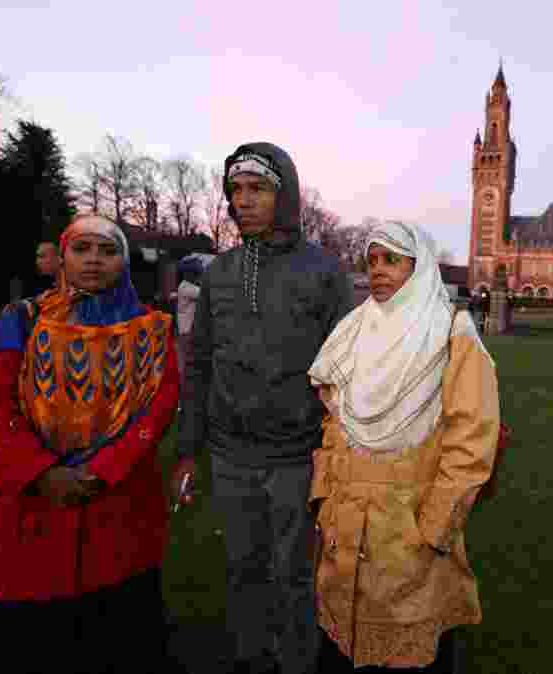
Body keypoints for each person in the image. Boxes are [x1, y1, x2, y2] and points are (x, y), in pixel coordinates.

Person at [0, 215, 180, 674]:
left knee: (118, 641)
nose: (94, 259)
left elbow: (159, 404)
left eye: (107, 250)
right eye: (82, 248)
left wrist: (105, 469)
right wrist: (40, 471)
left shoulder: (151, 328)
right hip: (31, 513)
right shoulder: (21, 321)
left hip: (119, 512)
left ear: (124, 261)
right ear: (63, 257)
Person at [173, 142, 354, 674]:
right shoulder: (219, 273)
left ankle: (296, 661)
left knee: (296, 574)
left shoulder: (324, 272)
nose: (244, 200)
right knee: (241, 569)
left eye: (258, 189)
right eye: (236, 191)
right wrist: (188, 450)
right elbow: (200, 364)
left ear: (286, 194)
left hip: (298, 456)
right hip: (231, 455)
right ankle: (250, 658)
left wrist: (338, 453)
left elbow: (345, 372)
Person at [308, 222, 501, 672]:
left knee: (410, 651)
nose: (378, 270)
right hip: (344, 526)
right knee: (341, 648)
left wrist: (433, 529)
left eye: (391, 259)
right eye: (372, 261)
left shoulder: (453, 335)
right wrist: (324, 498)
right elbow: (333, 426)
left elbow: (471, 445)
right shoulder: (351, 334)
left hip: (410, 529)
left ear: (419, 268)